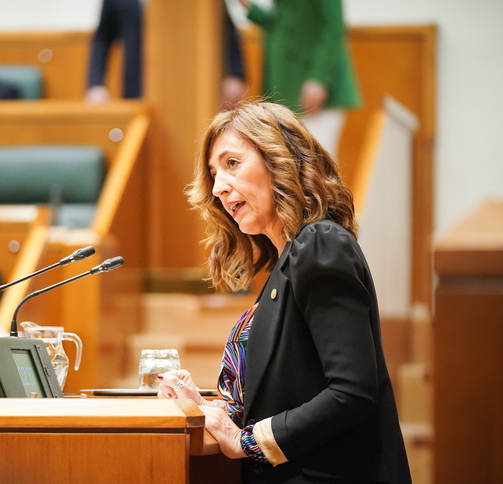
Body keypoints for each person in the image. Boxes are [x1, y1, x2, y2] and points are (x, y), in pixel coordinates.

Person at [157, 101, 411, 482]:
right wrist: (206, 407)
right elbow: (288, 392)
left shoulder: (320, 243)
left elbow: (352, 392)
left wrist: (246, 442)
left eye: (231, 163)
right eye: (213, 173)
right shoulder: (285, 264)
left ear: (280, 160)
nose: (219, 186)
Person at [238, 0, 361, 158]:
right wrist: (250, 7)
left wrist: (318, 78)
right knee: (290, 165)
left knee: (318, 164)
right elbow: (281, 25)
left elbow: (333, 27)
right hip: (286, 87)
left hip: (315, 90)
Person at [84, 0, 247, 110]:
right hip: (137, 87)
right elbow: (103, 36)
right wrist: (96, 84)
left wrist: (235, 74)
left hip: (193, 88)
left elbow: (225, 27)